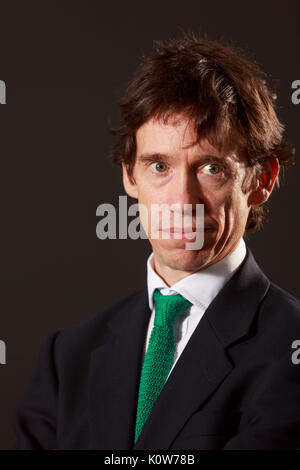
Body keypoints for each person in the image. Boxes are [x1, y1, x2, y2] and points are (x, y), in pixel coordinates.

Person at [14, 33, 300, 450]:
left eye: (211, 168)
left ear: (262, 180)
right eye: (159, 166)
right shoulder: (68, 357)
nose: (182, 202)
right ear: (130, 176)